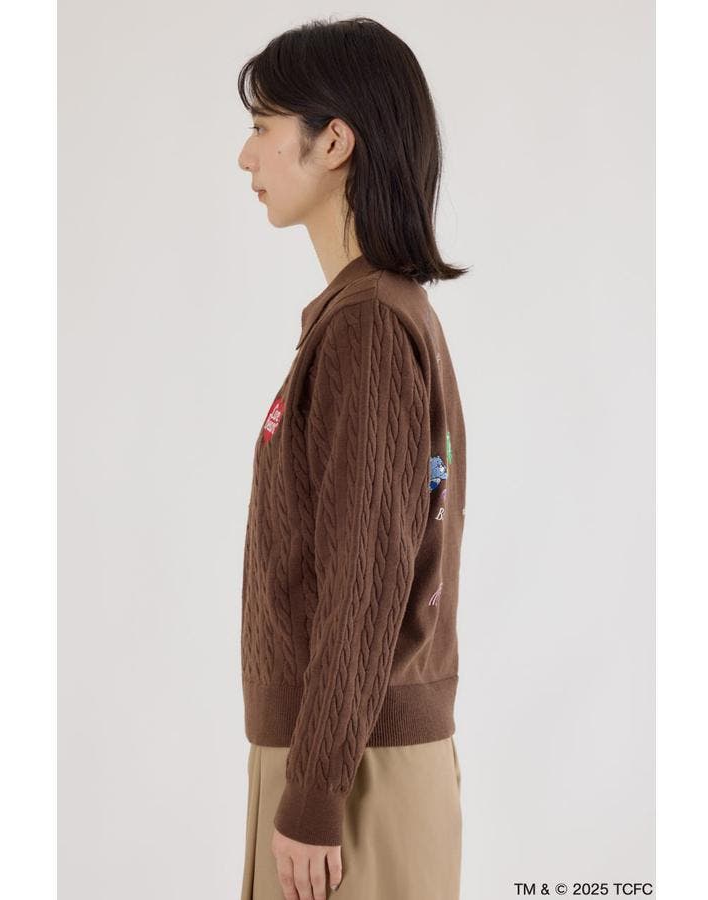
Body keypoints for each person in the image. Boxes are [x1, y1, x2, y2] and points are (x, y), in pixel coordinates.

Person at [236, 16, 470, 900]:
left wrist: (312, 794)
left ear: (333, 142)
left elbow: (364, 581)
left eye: (263, 127)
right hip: (346, 758)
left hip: (350, 772)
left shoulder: (369, 327)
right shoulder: (371, 315)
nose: (246, 157)